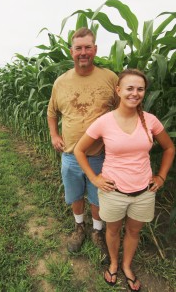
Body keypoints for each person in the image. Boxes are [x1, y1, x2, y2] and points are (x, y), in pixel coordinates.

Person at [74, 68, 175, 291]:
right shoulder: (105, 121)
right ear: (118, 90)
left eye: (140, 89)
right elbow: (79, 150)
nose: (135, 93)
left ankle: (127, 266)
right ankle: (113, 263)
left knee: (133, 231)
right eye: (129, 88)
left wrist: (161, 176)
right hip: (113, 192)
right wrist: (94, 178)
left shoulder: (151, 121)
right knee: (112, 231)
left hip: (144, 192)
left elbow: (169, 148)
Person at [47, 27, 118, 253]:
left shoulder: (110, 78)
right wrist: (54, 134)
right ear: (72, 52)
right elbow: (52, 112)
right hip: (70, 155)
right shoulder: (61, 82)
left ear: (95, 49)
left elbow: (122, 111)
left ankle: (97, 231)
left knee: (98, 197)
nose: (83, 52)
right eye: (79, 48)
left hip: (100, 155)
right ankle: (79, 227)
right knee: (75, 195)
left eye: (88, 47)